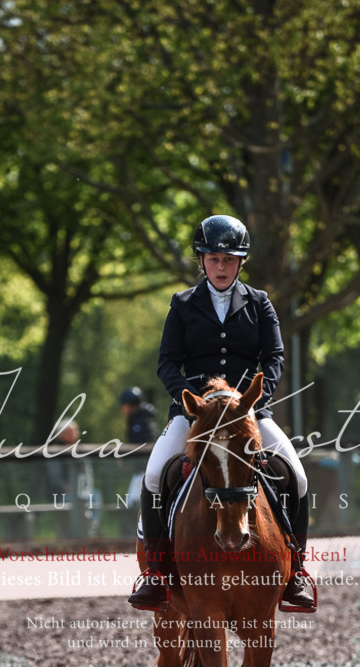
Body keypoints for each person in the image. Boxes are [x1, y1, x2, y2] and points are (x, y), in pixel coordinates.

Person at [128, 213, 314, 612]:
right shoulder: (182, 305)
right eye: (214, 259)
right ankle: (156, 575)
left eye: (229, 259)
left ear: (240, 262)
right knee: (155, 474)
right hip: (195, 414)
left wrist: (254, 401)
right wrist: (190, 401)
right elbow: (167, 363)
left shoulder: (260, 303)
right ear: (202, 261)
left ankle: (296, 572)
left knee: (296, 476)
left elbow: (275, 356)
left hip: (248, 412)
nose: (221, 266)